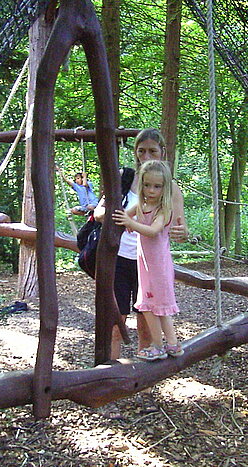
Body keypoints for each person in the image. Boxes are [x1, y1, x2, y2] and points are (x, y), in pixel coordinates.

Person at [93, 128, 189, 360]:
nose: (146, 156)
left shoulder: (169, 187)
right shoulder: (123, 178)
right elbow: (99, 213)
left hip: (151, 261)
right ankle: (110, 372)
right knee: (117, 321)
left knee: (147, 316)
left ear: (162, 152)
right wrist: (119, 217)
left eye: (152, 151)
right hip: (121, 258)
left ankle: (146, 374)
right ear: (135, 153)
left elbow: (179, 225)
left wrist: (180, 231)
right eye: (141, 151)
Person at [112, 160, 182, 360]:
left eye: (157, 186)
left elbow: (152, 231)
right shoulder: (142, 205)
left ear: (165, 188)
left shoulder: (163, 209)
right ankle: (172, 344)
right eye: (147, 185)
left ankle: (160, 345)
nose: (151, 190)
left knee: (152, 306)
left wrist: (130, 223)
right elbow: (123, 215)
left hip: (157, 266)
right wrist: (122, 218)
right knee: (155, 306)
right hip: (145, 265)